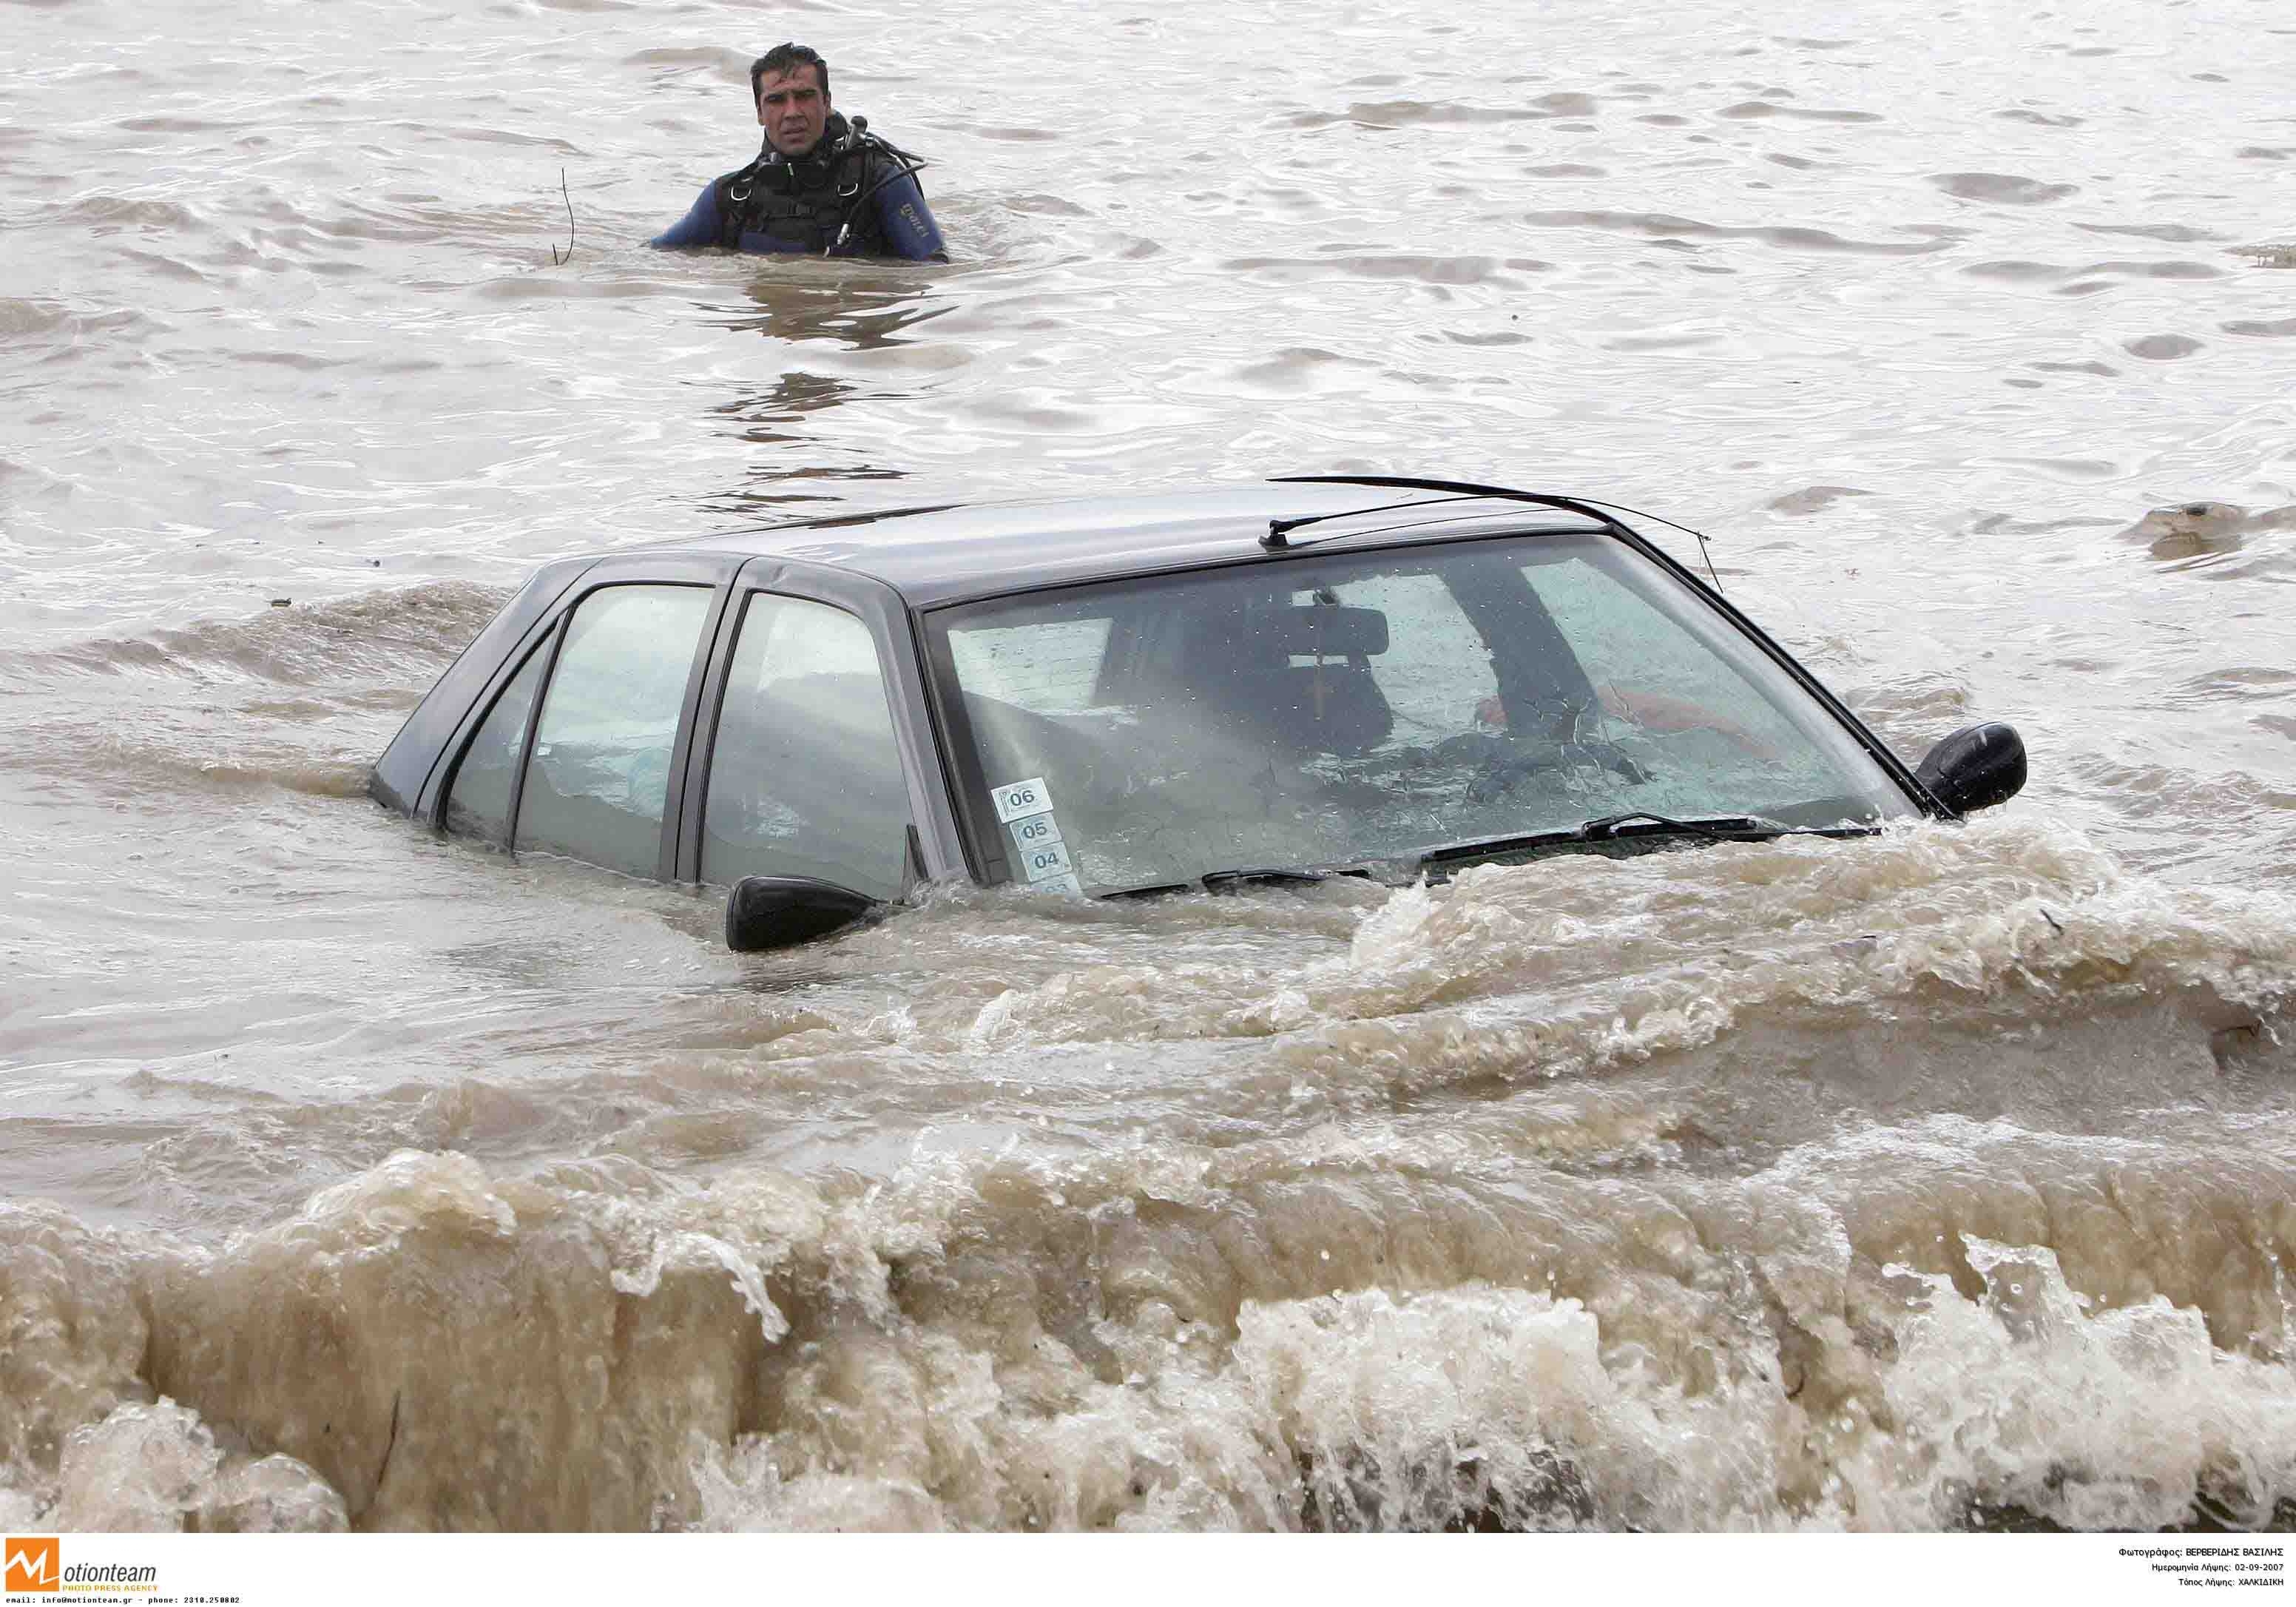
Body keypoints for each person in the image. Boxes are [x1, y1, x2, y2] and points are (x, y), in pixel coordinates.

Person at [649, 43, 947, 261]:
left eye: (804, 96)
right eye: (777, 100)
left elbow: (935, 270)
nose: (792, 112)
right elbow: (653, 260)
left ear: (827, 103)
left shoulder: (878, 180)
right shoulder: (730, 199)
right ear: (759, 113)